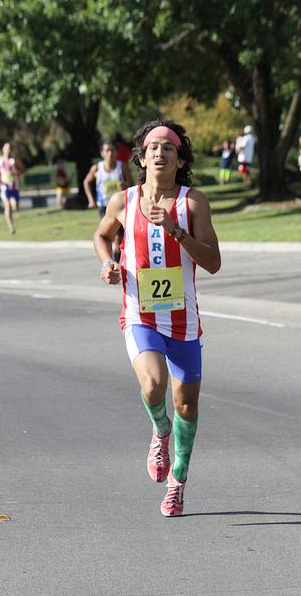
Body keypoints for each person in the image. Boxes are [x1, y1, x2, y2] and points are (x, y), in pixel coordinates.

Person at [93, 119, 221, 516]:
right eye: (153, 147)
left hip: (183, 320)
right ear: (141, 157)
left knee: (186, 406)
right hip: (140, 314)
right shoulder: (123, 201)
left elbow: (213, 262)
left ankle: (177, 481)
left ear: (180, 158)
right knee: (153, 385)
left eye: (169, 147)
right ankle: (159, 431)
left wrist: (177, 231)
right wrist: (108, 264)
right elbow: (101, 237)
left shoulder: (193, 202)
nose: (160, 153)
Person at [84, 141, 133, 261]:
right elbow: (86, 182)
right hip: (104, 207)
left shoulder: (122, 167)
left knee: (118, 237)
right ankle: (109, 260)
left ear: (116, 152)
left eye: (112, 150)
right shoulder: (97, 168)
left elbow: (132, 185)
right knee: (107, 235)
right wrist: (91, 200)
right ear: (102, 153)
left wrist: (125, 184)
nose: (110, 153)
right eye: (107, 150)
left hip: (120, 206)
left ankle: (116, 261)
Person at [0, 142, 23, 234]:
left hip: (14, 186)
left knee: (15, 207)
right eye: (6, 148)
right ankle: (11, 227)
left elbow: (21, 169)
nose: (7, 150)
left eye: (9, 148)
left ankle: (11, 222)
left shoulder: (14, 160)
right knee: (7, 206)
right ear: (3, 150)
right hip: (4, 187)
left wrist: (14, 173)